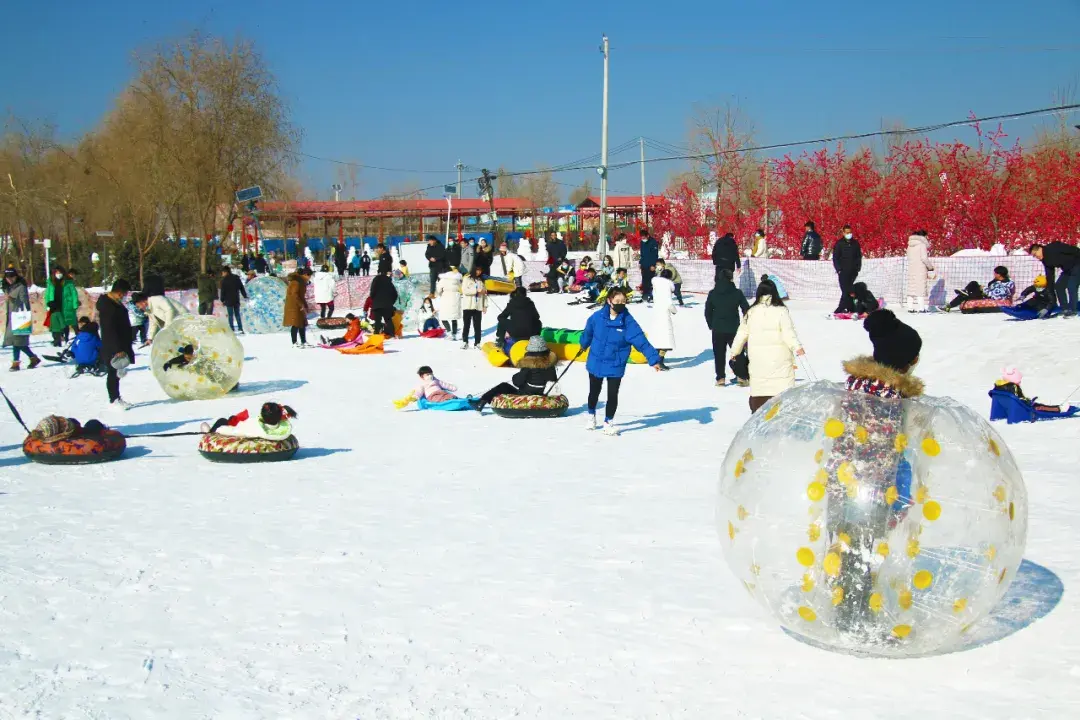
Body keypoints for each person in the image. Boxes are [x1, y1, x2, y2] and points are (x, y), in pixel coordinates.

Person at [579, 288, 661, 435]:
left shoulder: (628, 322)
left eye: (623, 302)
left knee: (612, 395)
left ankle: (608, 422)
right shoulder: (596, 317)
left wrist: (653, 358)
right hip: (596, 360)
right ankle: (591, 415)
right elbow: (588, 333)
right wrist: (583, 344)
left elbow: (641, 341)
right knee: (594, 392)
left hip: (616, 362)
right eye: (617, 301)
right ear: (609, 301)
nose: (621, 304)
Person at [730, 279, 805, 413]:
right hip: (780, 359)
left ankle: (759, 416)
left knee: (760, 388)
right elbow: (788, 333)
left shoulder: (751, 312)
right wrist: (797, 347)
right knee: (782, 390)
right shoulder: (781, 311)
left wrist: (735, 351)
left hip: (758, 360)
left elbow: (741, 334)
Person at [472, 335, 558, 411]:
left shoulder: (529, 364)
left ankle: (481, 402)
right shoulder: (550, 364)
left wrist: (515, 377)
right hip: (544, 393)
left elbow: (518, 382)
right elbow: (553, 380)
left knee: (503, 386)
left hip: (527, 394)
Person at [705, 269, 750, 387]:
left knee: (719, 353)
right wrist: (746, 324)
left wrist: (711, 324)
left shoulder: (713, 293)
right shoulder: (737, 293)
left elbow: (707, 311)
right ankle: (741, 376)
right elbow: (746, 309)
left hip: (717, 328)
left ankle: (720, 378)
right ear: (731, 279)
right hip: (734, 327)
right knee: (738, 352)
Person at [96, 279, 134, 408]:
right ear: (118, 292)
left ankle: (116, 397)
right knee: (113, 372)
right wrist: (117, 348)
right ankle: (114, 399)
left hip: (119, 343)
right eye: (123, 293)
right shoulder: (108, 306)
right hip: (113, 345)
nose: (124, 296)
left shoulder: (114, 303)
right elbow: (109, 329)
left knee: (116, 372)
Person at [3, 267, 41, 371]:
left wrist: (12, 299)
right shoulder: (8, 288)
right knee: (17, 341)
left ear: (16, 277)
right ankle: (33, 358)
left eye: (12, 277)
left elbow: (25, 303)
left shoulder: (21, 287)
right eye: (7, 277)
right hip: (12, 317)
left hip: (19, 318)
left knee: (17, 341)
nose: (9, 279)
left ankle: (16, 363)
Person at [1029, 242, 1080, 317]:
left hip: (1077, 265)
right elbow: (1050, 276)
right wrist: (1050, 292)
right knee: (1059, 286)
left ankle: (1073, 310)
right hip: (1067, 270)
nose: (1036, 257)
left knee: (1071, 286)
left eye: (1035, 254)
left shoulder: (1053, 247)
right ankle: (1065, 309)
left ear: (1040, 249)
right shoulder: (1045, 260)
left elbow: (1072, 249)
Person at [203, 402, 297, 440]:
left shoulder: (256, 427)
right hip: (245, 424)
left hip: (237, 427)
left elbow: (235, 431)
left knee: (222, 421)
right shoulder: (281, 428)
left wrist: (220, 430)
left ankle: (209, 432)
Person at [393, 365, 459, 408]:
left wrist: (453, 388)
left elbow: (444, 384)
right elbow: (419, 391)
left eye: (431, 374)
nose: (430, 376)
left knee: (448, 394)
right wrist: (415, 397)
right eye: (427, 374)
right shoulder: (422, 384)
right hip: (432, 395)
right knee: (438, 398)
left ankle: (457, 399)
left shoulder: (436, 380)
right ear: (422, 376)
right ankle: (448, 402)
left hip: (441, 392)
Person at [650, 269, 678, 370]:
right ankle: (660, 362)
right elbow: (669, 302)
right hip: (664, 315)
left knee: (658, 339)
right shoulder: (667, 286)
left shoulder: (656, 284)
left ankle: (655, 360)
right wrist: (674, 311)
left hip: (656, 313)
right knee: (666, 340)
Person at [45, 265, 79, 346]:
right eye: (57, 273)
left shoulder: (68, 282)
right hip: (54, 305)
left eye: (60, 273)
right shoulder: (51, 282)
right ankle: (57, 340)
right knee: (55, 324)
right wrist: (47, 304)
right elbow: (47, 294)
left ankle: (66, 338)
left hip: (66, 305)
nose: (58, 274)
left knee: (66, 323)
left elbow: (74, 294)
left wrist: (75, 304)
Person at [832, 225, 863, 314]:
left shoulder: (855, 243)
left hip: (853, 271)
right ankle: (841, 309)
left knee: (848, 291)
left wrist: (858, 268)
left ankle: (849, 308)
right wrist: (839, 269)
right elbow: (835, 258)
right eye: (847, 232)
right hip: (843, 271)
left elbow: (858, 257)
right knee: (845, 290)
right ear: (843, 233)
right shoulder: (839, 243)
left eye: (850, 232)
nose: (849, 234)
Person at [904, 230, 935, 312]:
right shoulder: (922, 245)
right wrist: (930, 267)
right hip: (920, 269)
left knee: (911, 288)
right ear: (923, 236)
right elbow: (924, 258)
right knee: (920, 288)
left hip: (911, 268)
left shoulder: (909, 246)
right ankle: (921, 308)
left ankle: (910, 307)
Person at [460, 266, 488, 349]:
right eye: (477, 270)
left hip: (478, 306)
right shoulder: (467, 279)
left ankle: (477, 343)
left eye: (480, 271)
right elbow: (465, 291)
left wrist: (485, 305)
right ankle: (465, 342)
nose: (478, 272)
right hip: (468, 306)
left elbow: (484, 294)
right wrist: (476, 290)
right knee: (466, 325)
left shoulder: (481, 281)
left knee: (477, 326)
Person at [284, 268, 312, 347]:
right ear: (305, 275)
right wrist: (301, 304)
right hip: (294, 305)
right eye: (309, 276)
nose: (309, 279)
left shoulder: (301, 281)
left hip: (299, 304)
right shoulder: (296, 282)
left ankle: (303, 341)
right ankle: (294, 342)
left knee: (302, 323)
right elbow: (294, 295)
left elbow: (301, 296)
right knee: (295, 323)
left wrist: (305, 305)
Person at [369, 268, 399, 338]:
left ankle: (376, 335)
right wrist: (391, 302)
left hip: (377, 304)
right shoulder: (389, 282)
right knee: (388, 320)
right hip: (387, 305)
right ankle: (392, 334)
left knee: (377, 321)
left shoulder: (376, 280)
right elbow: (395, 294)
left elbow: (372, 292)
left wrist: (374, 299)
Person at [435, 265, 463, 340]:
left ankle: (449, 332)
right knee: (454, 318)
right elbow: (461, 288)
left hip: (446, 298)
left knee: (443, 317)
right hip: (456, 298)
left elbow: (438, 290)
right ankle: (454, 334)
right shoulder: (457, 278)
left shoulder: (443, 279)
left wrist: (441, 293)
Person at [638, 228, 660, 303]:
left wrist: (653, 265)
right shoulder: (642, 242)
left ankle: (651, 296)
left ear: (647, 236)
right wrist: (640, 263)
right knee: (644, 281)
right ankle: (644, 296)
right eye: (642, 237)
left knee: (651, 281)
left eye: (644, 237)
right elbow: (642, 254)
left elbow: (655, 255)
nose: (643, 239)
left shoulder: (653, 242)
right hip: (644, 264)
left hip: (651, 265)